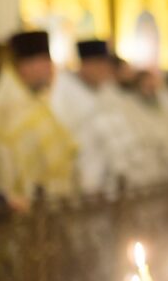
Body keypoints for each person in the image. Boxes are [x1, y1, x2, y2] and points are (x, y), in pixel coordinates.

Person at [0, 31, 77, 200]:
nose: (51, 68)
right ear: (25, 66)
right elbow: (9, 176)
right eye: (45, 61)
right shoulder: (10, 111)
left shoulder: (36, 101)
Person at [50, 40, 140, 193]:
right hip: (85, 181)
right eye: (100, 64)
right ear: (86, 65)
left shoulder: (107, 89)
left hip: (115, 181)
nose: (105, 70)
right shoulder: (63, 93)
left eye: (106, 65)